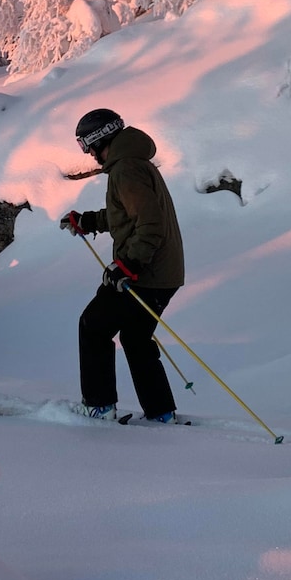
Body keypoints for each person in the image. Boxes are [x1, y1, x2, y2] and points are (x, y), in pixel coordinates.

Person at [60, 108, 185, 423]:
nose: (88, 153)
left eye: (85, 144)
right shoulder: (132, 163)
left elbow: (150, 224)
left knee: (93, 325)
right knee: (135, 338)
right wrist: (88, 221)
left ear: (99, 138)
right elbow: (126, 215)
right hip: (163, 273)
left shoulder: (126, 169)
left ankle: (99, 405)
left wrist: (129, 264)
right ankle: (160, 412)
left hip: (146, 272)